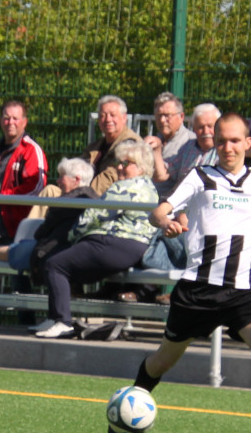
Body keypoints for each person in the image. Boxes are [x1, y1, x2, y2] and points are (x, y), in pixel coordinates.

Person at [122, 112, 251, 433]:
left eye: (235, 140)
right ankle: (127, 407)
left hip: (249, 289)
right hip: (200, 289)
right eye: (221, 141)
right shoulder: (199, 177)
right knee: (163, 360)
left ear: (248, 144)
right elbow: (158, 211)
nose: (228, 147)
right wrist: (164, 221)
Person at [33, 139, 160, 338]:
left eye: (125, 163)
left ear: (141, 166)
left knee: (54, 264)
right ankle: (55, 317)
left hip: (112, 245)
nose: (119, 167)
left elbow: (92, 217)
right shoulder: (151, 189)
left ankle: (61, 321)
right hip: (134, 249)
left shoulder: (123, 187)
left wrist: (72, 236)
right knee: (64, 264)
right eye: (118, 162)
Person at [0, 157, 96, 273]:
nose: (58, 180)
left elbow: (41, 232)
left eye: (62, 176)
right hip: (78, 251)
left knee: (21, 250)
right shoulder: (96, 200)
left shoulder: (64, 204)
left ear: (76, 180)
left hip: (56, 251)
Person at [0, 100, 48, 242]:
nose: (10, 122)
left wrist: (0, 199)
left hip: (16, 232)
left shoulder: (31, 150)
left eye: (15, 118)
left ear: (24, 122)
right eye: (6, 118)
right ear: (1, 121)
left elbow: (36, 189)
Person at [83, 94, 143, 196]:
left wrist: (80, 192)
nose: (107, 119)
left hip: (111, 198)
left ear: (124, 118)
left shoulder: (131, 145)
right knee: (51, 191)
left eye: (113, 115)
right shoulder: (95, 147)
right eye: (102, 115)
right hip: (84, 193)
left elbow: (112, 175)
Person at [155, 102, 219, 190]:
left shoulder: (223, 150)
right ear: (194, 129)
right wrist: (156, 150)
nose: (206, 131)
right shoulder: (187, 147)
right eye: (201, 127)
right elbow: (163, 174)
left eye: (210, 126)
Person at [145, 92, 195, 198]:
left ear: (181, 116)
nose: (163, 120)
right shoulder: (153, 141)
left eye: (167, 115)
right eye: (159, 115)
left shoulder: (190, 144)